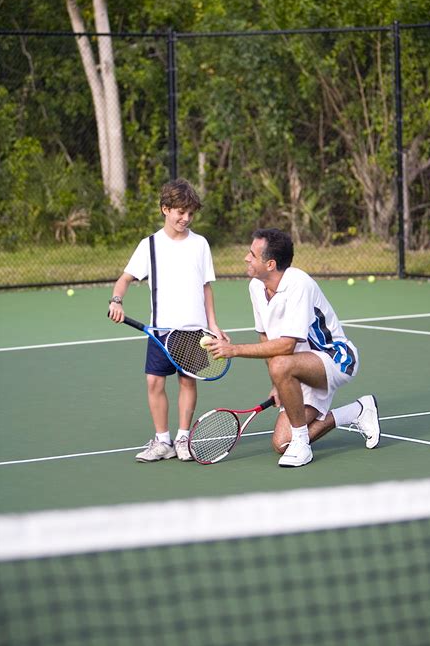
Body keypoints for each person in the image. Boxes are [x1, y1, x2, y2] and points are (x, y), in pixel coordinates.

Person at [206, 228, 380, 468]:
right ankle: (358, 411)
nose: (246, 258)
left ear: (270, 264)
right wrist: (277, 383)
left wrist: (233, 350)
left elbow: (287, 345)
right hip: (297, 367)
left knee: (281, 364)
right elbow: (265, 336)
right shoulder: (256, 287)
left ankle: (302, 445)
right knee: (281, 444)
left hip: (335, 359)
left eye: (252, 254)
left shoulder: (299, 284)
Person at [108, 178, 229, 463]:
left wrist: (213, 324)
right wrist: (116, 300)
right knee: (154, 383)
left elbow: (205, 287)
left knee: (188, 383)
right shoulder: (149, 245)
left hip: (193, 332)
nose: (185, 218)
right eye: (180, 212)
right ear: (165, 209)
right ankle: (163, 442)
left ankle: (184, 437)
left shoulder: (200, 244)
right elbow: (124, 279)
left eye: (190, 213)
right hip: (161, 331)